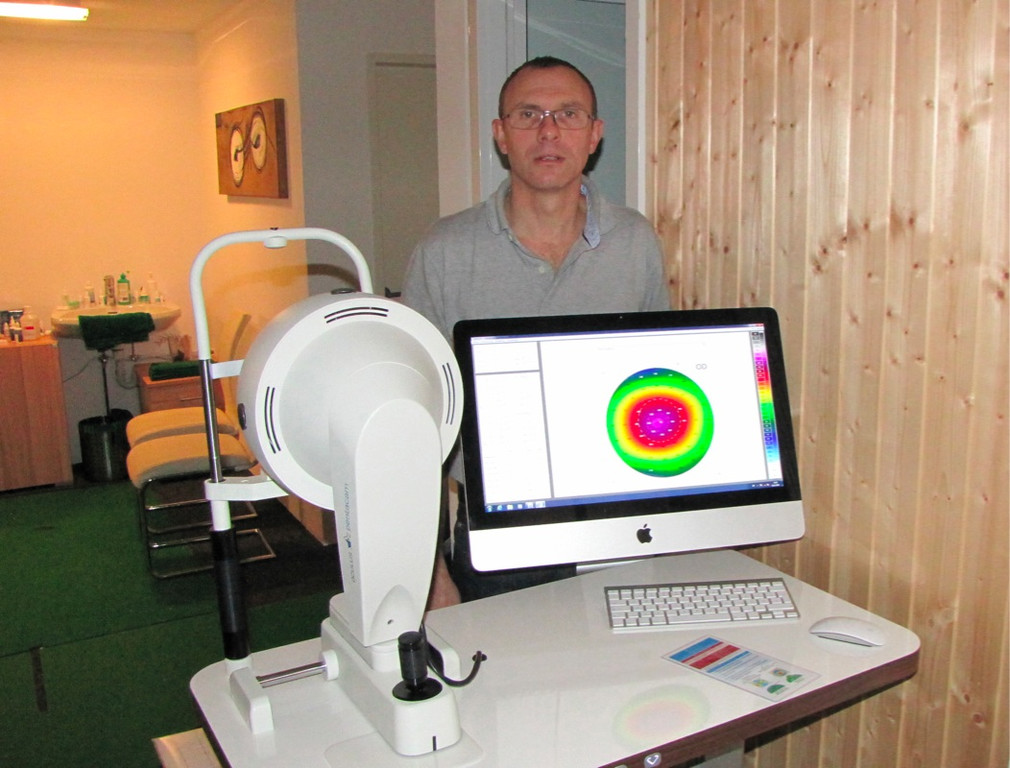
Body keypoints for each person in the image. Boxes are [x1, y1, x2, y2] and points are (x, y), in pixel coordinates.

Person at [403, 56, 670, 608]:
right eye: (528, 114)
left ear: (594, 135)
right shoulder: (443, 252)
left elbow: (658, 383)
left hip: (621, 518)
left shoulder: (635, 242)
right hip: (500, 532)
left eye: (568, 114)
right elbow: (416, 426)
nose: (548, 131)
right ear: (501, 135)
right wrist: (430, 572)